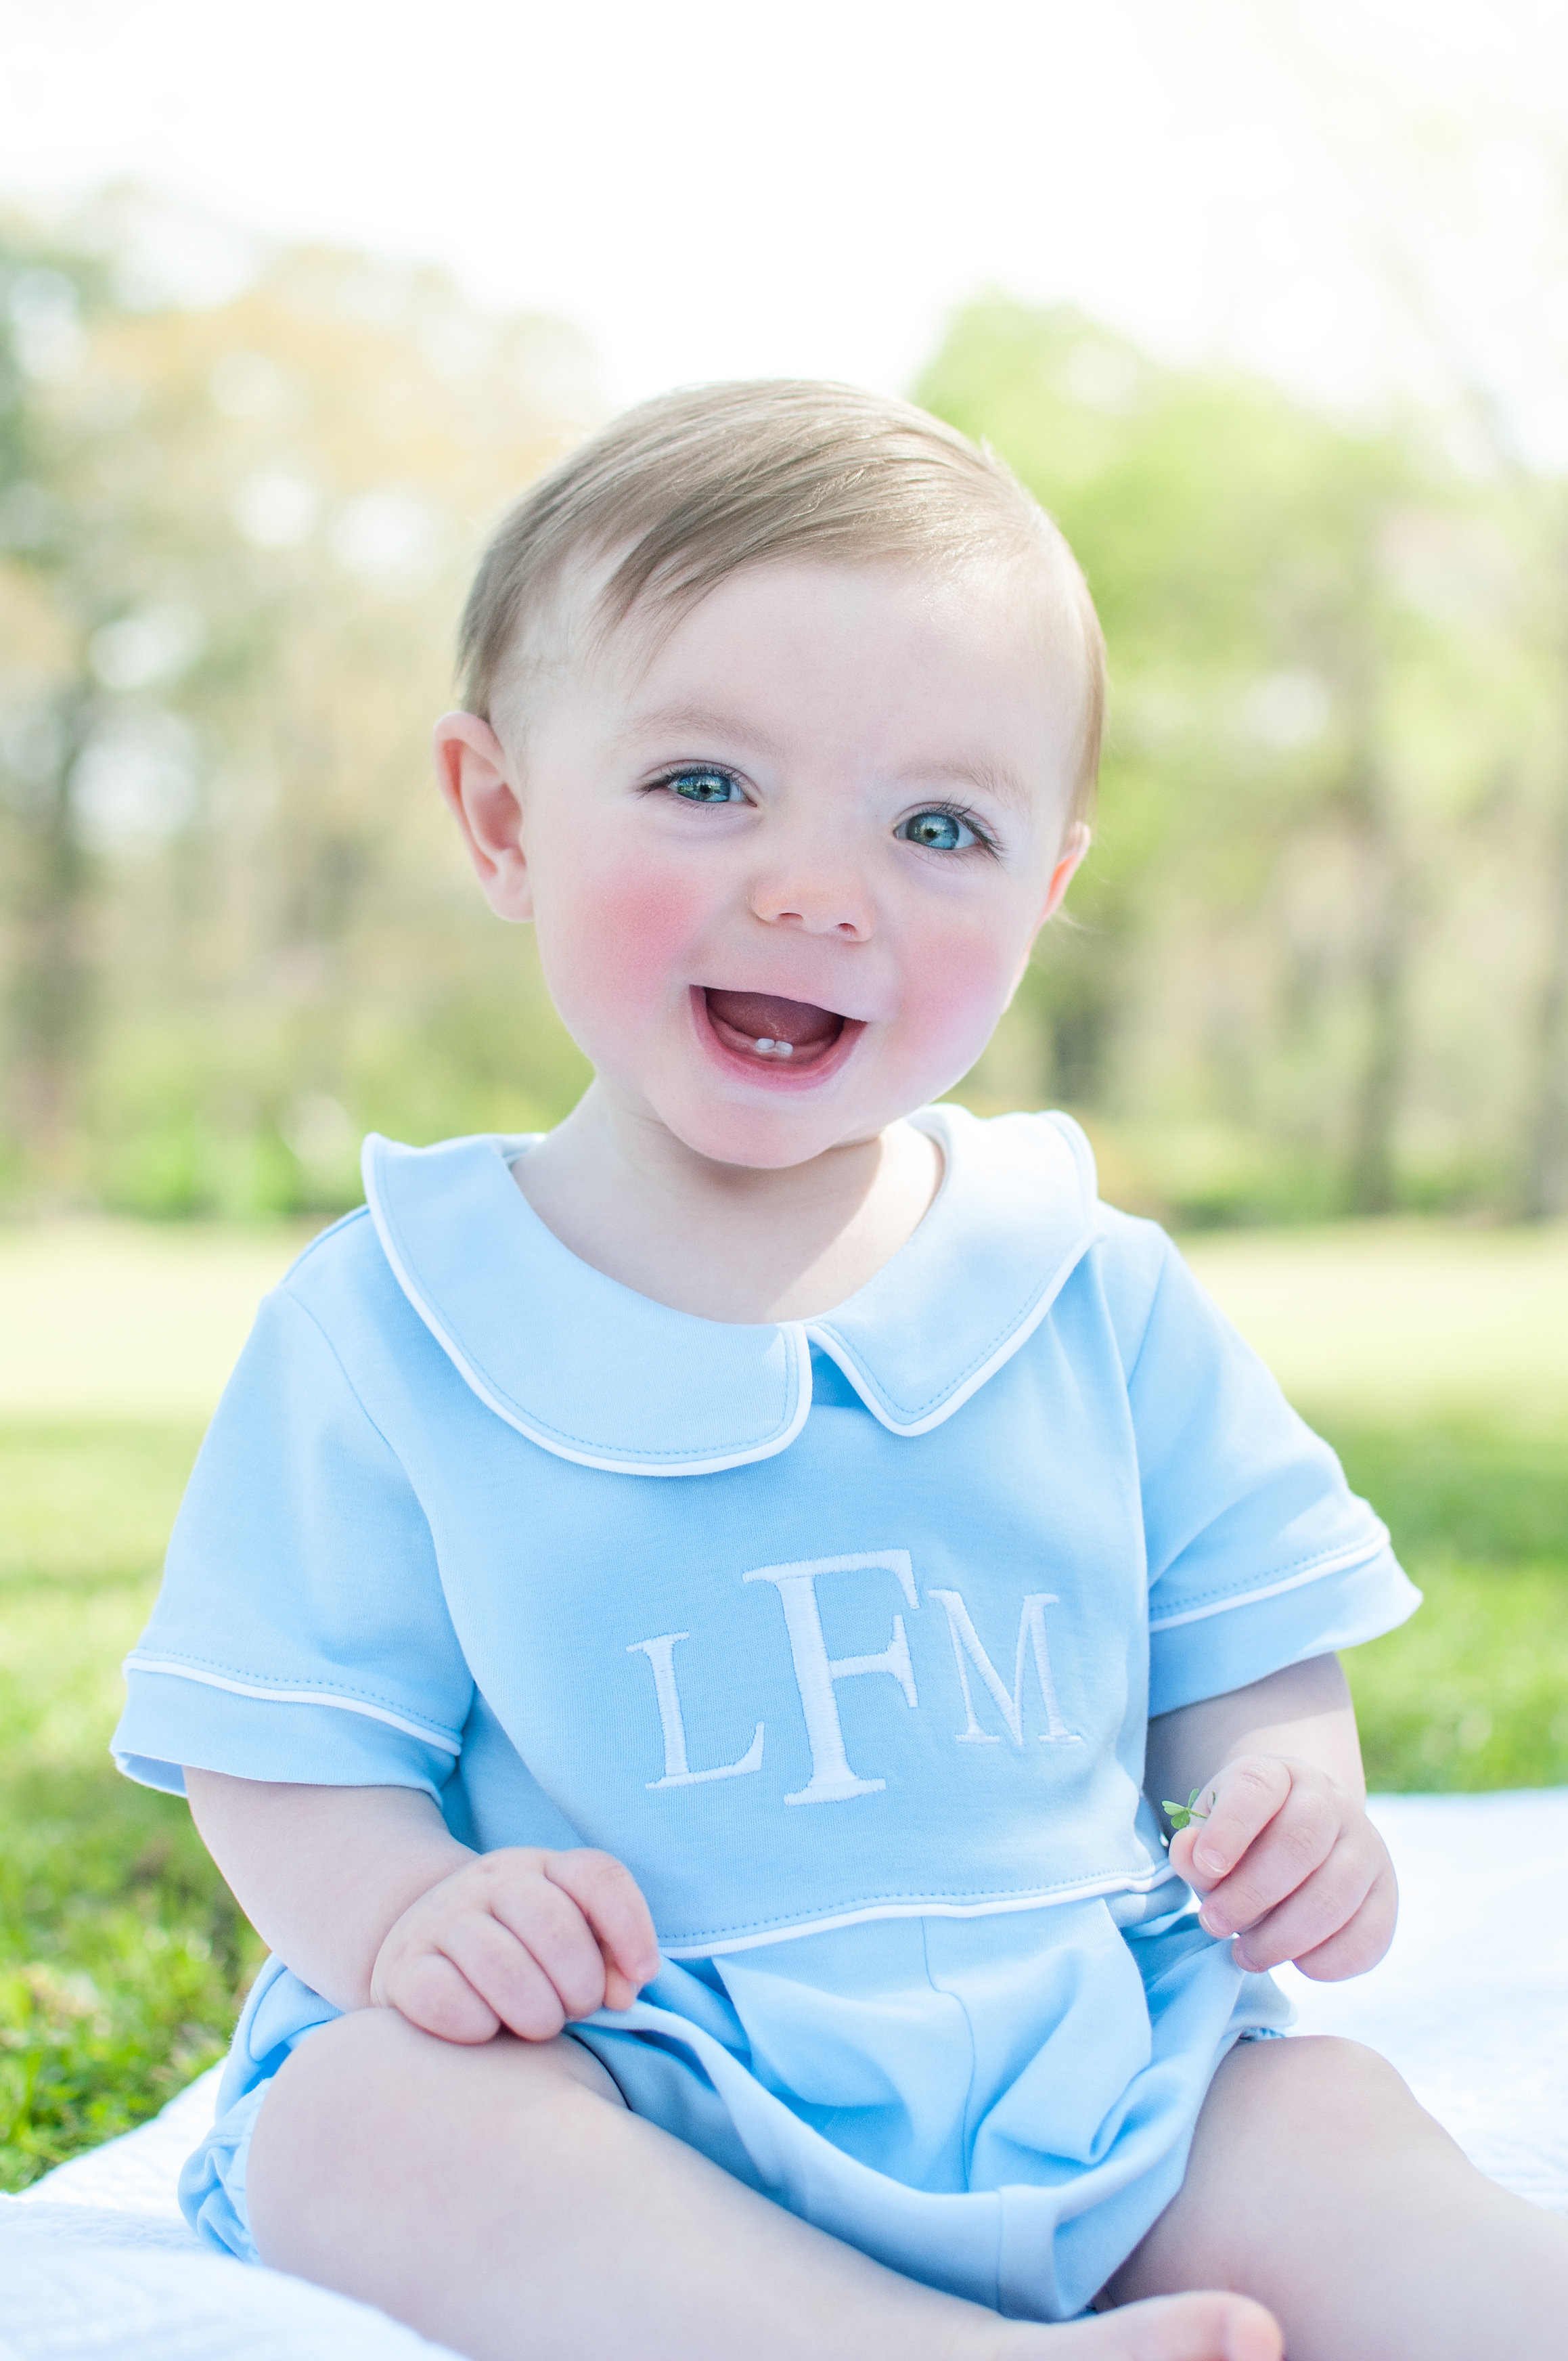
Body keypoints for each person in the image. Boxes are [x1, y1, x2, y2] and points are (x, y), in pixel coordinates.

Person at [113, 382, 1568, 2361]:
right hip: (621, 2066)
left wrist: (1288, 1795)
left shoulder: (1084, 1287)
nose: (817, 887)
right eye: (709, 783)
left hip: (1087, 2057)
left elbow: (1245, 1639)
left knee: (1331, 2133)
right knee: (372, 2131)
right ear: (504, 817)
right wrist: (405, 1914)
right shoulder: (398, 1321)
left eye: (939, 827)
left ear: (1045, 891)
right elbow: (283, 1743)